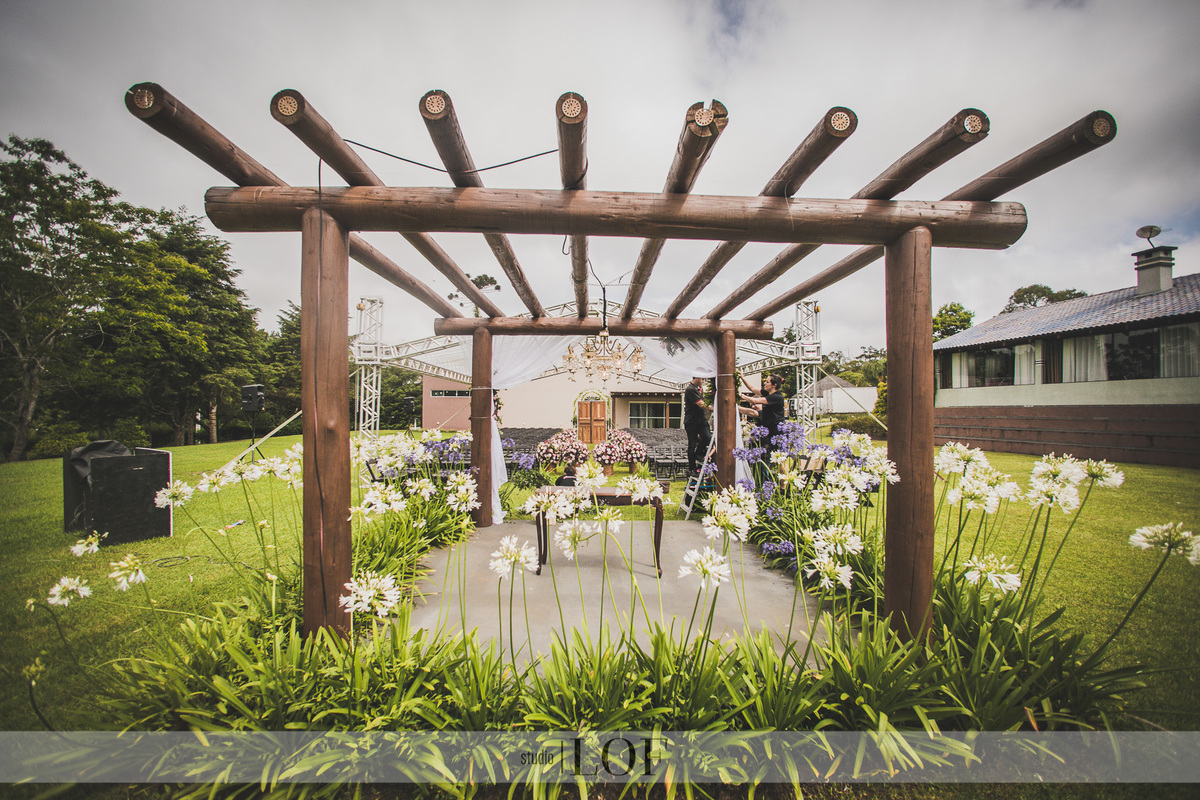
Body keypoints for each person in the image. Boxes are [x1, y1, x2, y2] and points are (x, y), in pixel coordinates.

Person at [739, 373, 786, 453]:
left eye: (767, 382)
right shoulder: (767, 393)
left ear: (774, 385)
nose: (765, 383)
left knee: (779, 456)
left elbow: (755, 401)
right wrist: (742, 378)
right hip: (768, 427)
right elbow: (753, 389)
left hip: (776, 431)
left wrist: (741, 396)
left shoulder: (777, 397)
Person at [683, 376, 711, 474]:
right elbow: (701, 404)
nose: (703, 381)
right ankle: (692, 468)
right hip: (691, 421)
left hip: (701, 420)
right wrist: (713, 408)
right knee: (692, 444)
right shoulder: (690, 389)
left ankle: (699, 453)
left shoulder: (700, 389)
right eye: (702, 379)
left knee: (707, 437)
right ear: (697, 378)